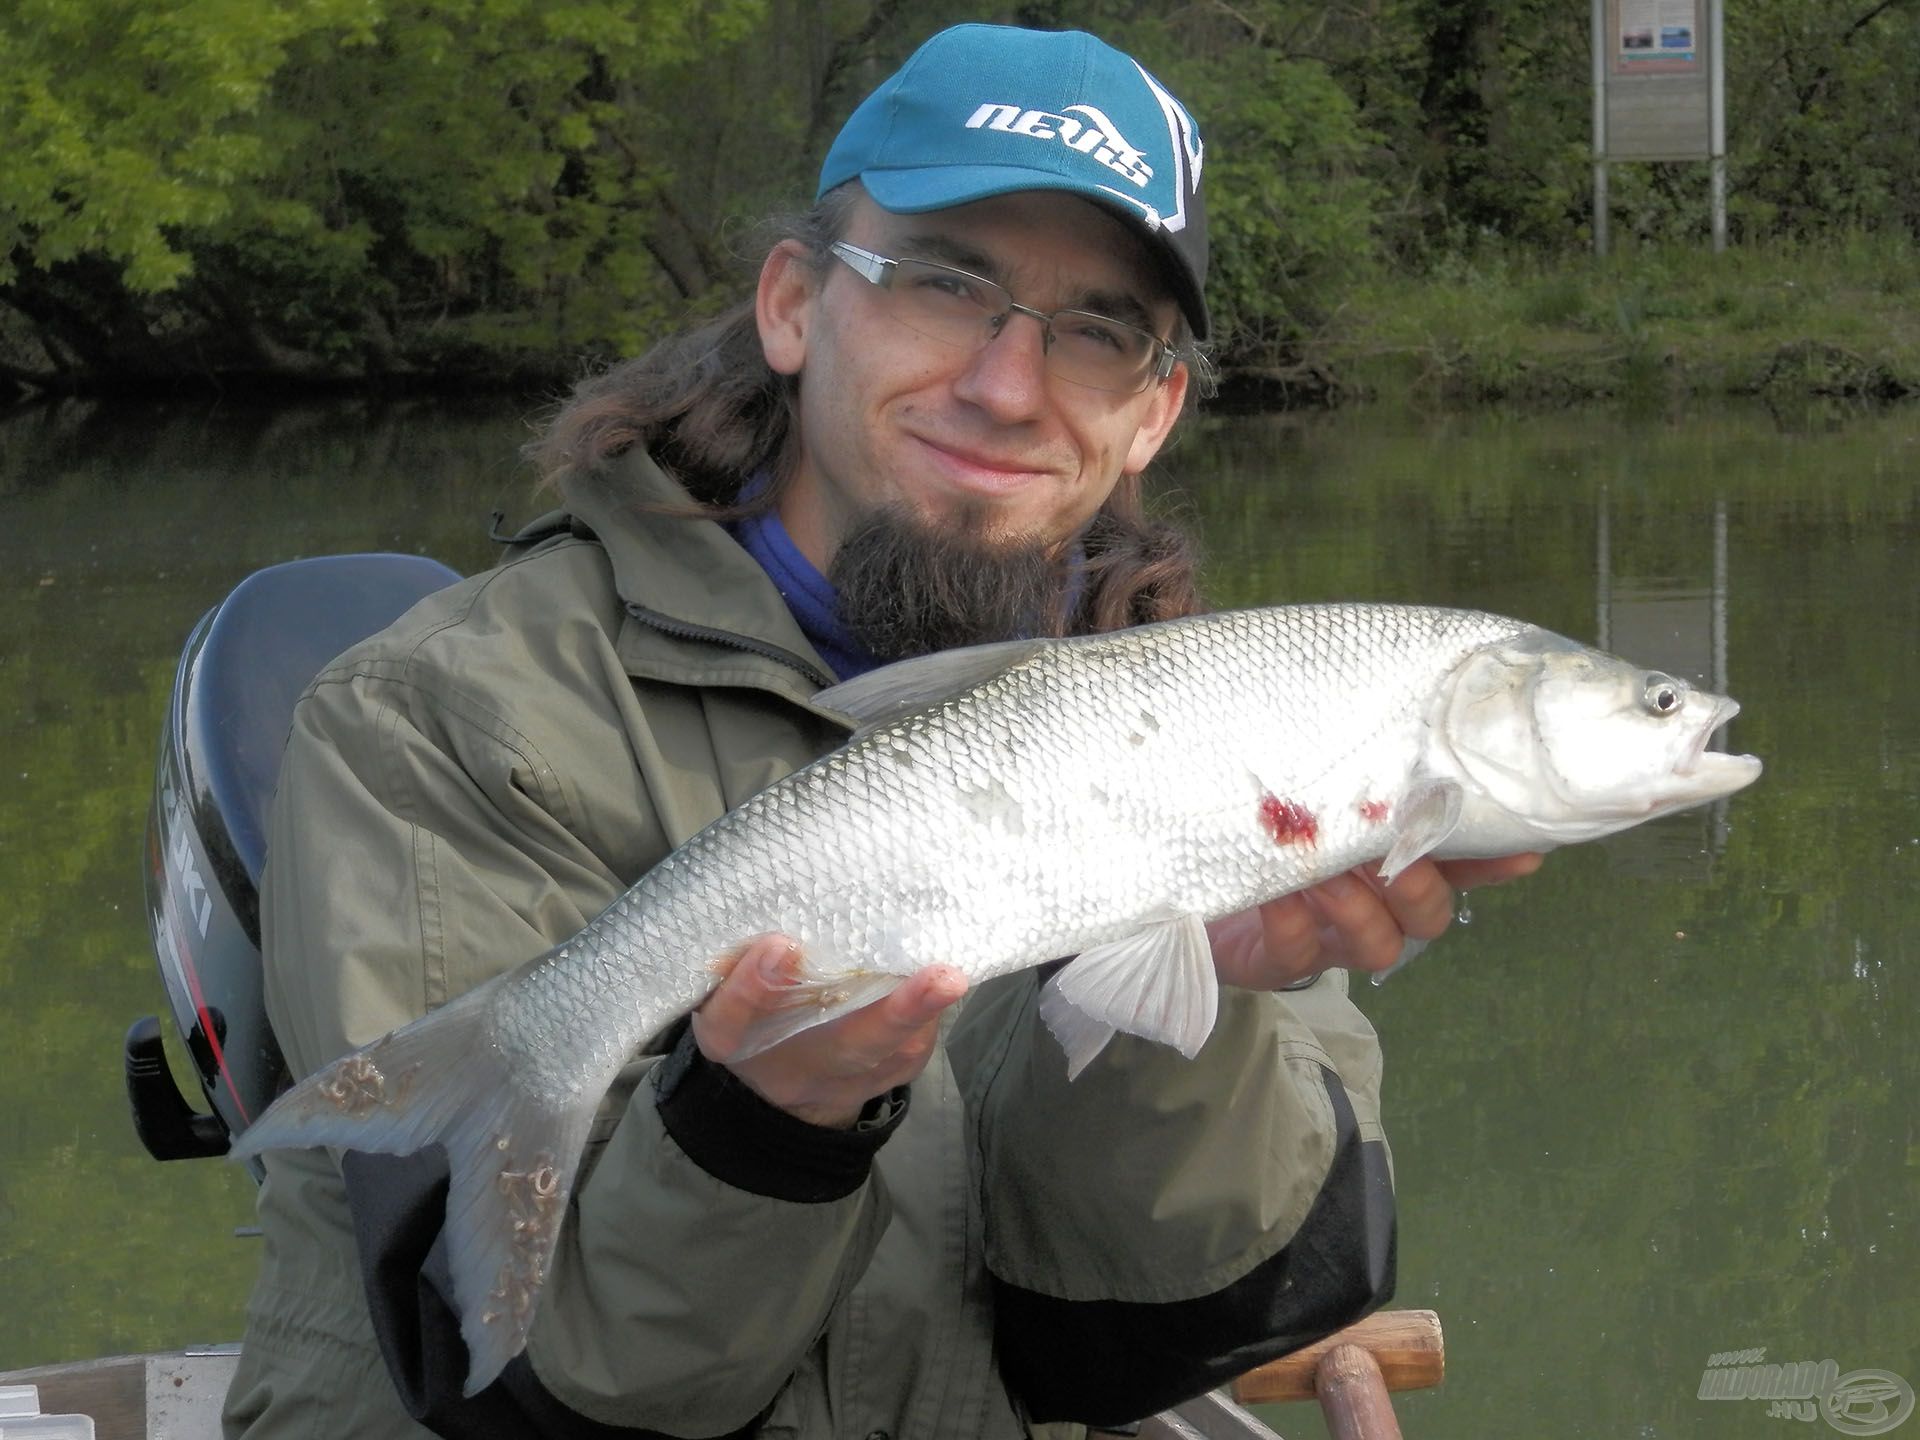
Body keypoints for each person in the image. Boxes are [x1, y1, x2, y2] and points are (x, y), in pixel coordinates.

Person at [222, 23, 1538, 1440]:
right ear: (792, 305)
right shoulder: (437, 714)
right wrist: (758, 1128)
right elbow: (535, 1403)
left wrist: (1184, 1015)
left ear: (1153, 415)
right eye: (944, 283)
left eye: (1098, 331)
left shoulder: (1217, 732)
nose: (1008, 384)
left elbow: (1139, 1344)